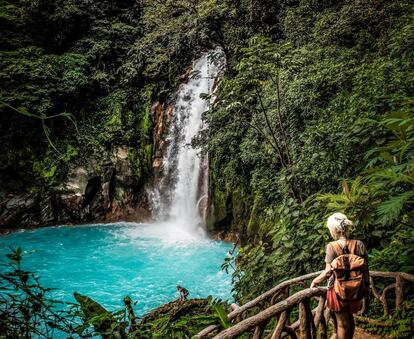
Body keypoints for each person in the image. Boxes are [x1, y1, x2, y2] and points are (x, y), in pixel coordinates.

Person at [311, 213, 369, 339]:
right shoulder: (359, 244)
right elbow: (366, 270)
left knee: (342, 324)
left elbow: (327, 272)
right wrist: (366, 286)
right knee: (351, 321)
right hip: (356, 289)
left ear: (334, 229)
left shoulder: (331, 247)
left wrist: (315, 280)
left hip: (337, 291)